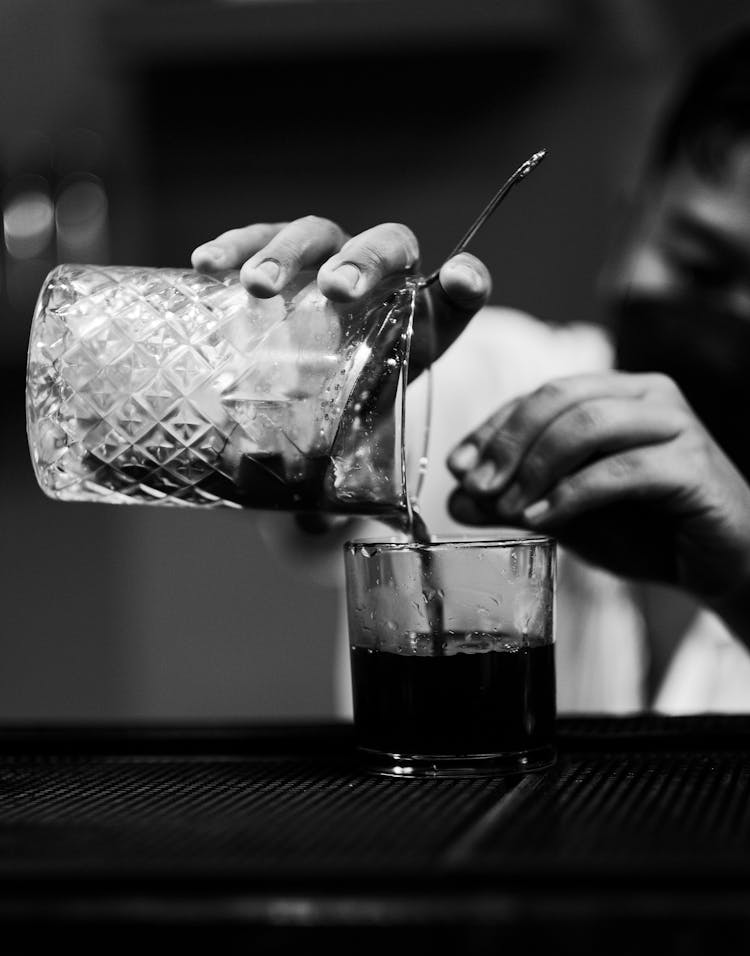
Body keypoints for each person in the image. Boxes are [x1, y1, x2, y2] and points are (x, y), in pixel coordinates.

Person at [191, 26, 750, 715]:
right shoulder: (486, 385)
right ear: (629, 223)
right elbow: (284, 455)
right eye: (701, 266)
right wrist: (307, 355)